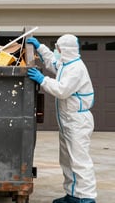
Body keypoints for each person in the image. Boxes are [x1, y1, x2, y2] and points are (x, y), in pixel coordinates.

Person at [27, 34, 96, 203]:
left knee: (79, 161)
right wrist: (39, 47)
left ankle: (86, 198)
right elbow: (53, 62)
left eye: (58, 49)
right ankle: (73, 194)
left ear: (65, 50)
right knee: (67, 160)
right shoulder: (67, 65)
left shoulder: (76, 69)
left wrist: (43, 80)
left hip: (78, 121)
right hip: (68, 121)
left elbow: (62, 90)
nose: (56, 51)